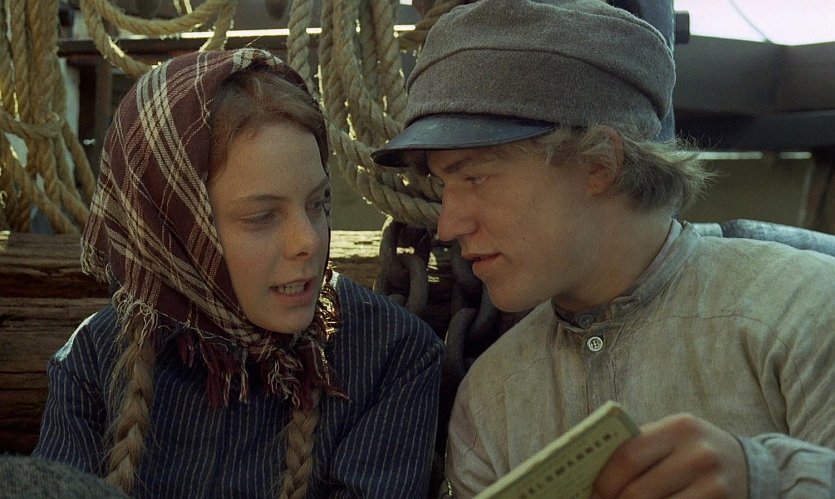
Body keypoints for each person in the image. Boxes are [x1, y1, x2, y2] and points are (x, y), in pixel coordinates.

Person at [371, 0, 835, 497]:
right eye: (444, 186)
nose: (447, 225)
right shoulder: (490, 401)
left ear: (599, 164)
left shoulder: (805, 313)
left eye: (476, 178)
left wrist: (765, 478)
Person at [34, 48, 443, 498]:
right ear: (176, 231)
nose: (308, 241)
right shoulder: (94, 360)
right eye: (262, 216)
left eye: (318, 203)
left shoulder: (389, 355)